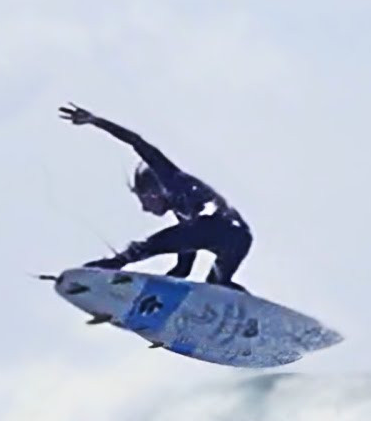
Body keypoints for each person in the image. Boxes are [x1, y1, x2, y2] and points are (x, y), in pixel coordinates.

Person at [58, 103, 252, 292]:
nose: (145, 208)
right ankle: (252, 314)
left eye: (144, 200)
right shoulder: (184, 214)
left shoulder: (170, 179)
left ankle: (114, 263)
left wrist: (95, 120)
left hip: (223, 228)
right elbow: (184, 265)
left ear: (153, 191)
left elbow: (137, 142)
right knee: (216, 289)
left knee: (144, 248)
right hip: (237, 238)